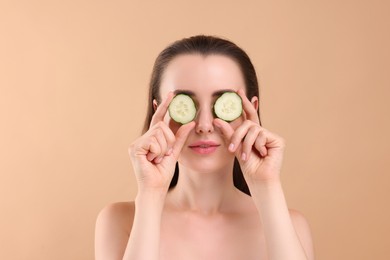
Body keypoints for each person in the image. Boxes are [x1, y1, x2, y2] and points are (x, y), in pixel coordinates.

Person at [95, 35, 314, 260]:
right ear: (159, 111)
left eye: (223, 103)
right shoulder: (118, 221)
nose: (204, 125)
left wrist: (267, 187)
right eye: (185, 104)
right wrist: (151, 192)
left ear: (251, 110)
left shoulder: (292, 225)